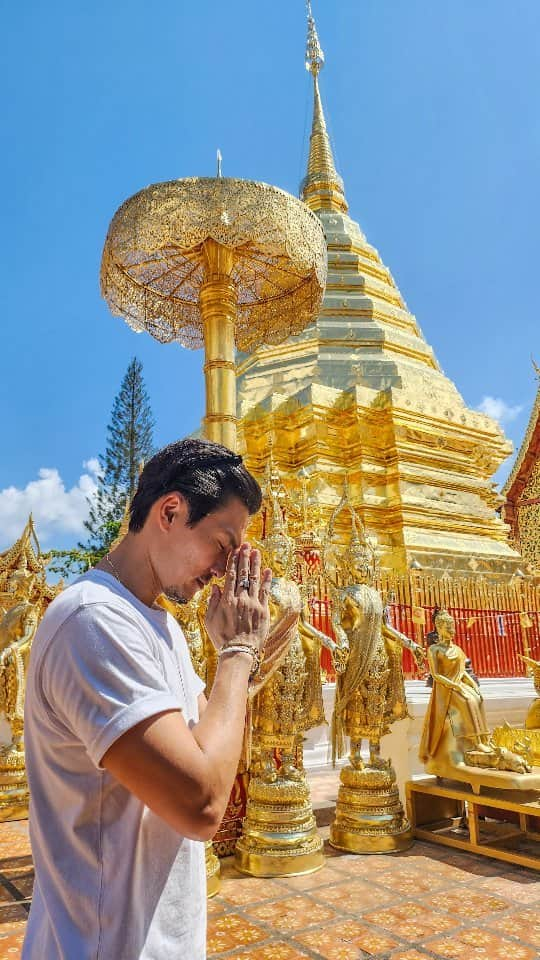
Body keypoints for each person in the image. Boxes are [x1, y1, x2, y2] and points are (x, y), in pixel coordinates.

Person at [22, 438, 271, 960]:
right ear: (171, 511)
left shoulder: (162, 627)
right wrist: (239, 652)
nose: (225, 570)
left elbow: (214, 754)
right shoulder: (94, 620)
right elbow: (201, 804)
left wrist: (244, 654)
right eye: (222, 546)